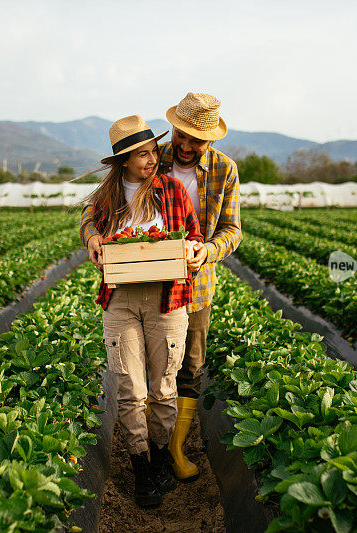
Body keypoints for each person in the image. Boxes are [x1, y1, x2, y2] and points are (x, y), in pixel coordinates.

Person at [82, 93, 242, 482]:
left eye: (195, 141)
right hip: (134, 286)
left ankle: (173, 449)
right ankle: (148, 454)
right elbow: (96, 206)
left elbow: (232, 229)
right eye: (180, 136)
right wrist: (91, 235)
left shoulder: (224, 170)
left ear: (210, 141)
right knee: (141, 376)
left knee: (186, 368)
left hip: (194, 284)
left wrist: (205, 250)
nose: (184, 146)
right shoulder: (155, 156)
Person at [79, 115, 204, 508]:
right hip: (120, 300)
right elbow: (89, 225)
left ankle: (162, 452)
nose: (153, 159)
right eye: (143, 155)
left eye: (153, 151)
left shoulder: (170, 190)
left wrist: (191, 250)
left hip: (167, 299)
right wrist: (93, 238)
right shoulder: (105, 200)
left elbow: (195, 234)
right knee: (132, 390)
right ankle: (141, 467)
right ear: (124, 160)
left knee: (164, 385)